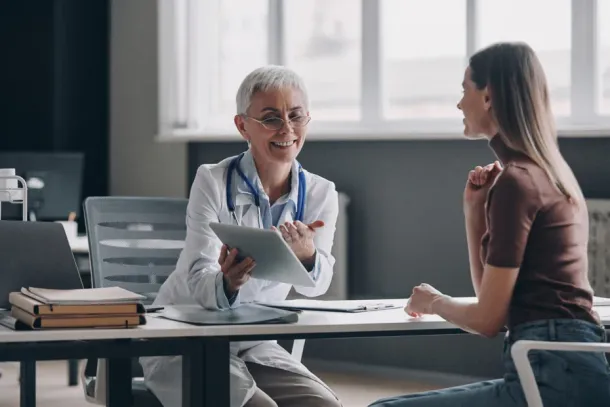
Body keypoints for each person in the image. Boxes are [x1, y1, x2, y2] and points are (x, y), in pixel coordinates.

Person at [370, 42, 610, 407]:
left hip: (554, 376)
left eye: (464, 89)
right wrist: (474, 213)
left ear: (488, 96)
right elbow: (492, 309)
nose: (459, 103)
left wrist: (433, 301)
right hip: (562, 368)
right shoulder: (545, 174)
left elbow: (485, 321)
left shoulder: (518, 182)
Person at [141, 65, 342, 407]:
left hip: (253, 341)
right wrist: (228, 283)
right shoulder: (213, 180)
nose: (287, 129)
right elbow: (197, 277)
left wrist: (308, 256)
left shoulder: (322, 193)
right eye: (271, 118)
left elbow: (317, 285)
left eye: (295, 116)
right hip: (184, 333)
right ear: (242, 126)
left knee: (323, 405)